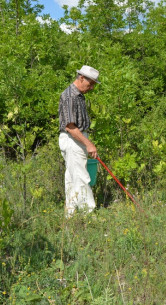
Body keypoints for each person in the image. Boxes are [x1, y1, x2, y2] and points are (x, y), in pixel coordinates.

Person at [58, 65, 100, 218]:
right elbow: (70, 127)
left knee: (72, 177)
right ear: (81, 78)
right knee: (82, 177)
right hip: (72, 139)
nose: (92, 87)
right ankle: (90, 215)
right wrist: (88, 144)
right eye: (91, 84)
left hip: (77, 138)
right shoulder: (70, 96)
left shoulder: (79, 95)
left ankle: (70, 214)